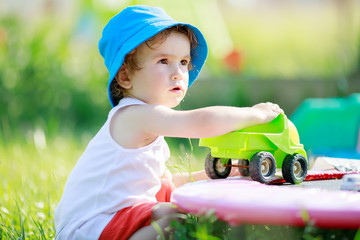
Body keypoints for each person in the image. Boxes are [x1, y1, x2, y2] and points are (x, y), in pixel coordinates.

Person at [54, 5, 283, 240]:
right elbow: (202, 122)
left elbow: (165, 184)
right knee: (174, 218)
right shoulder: (133, 116)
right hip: (92, 225)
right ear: (125, 76)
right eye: (163, 61)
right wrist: (256, 114)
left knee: (173, 200)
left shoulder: (146, 122)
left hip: (108, 219)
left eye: (183, 62)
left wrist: (220, 174)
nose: (178, 73)